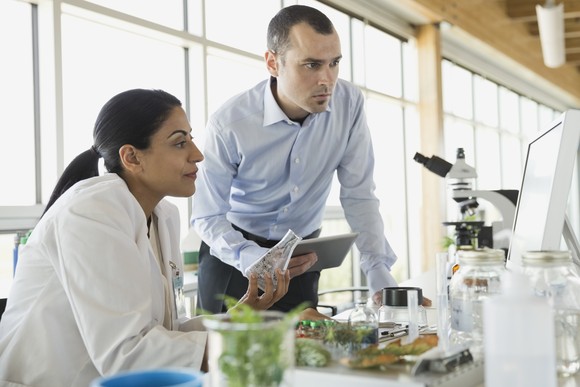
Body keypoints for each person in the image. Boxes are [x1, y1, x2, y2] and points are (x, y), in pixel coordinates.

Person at [0, 89, 291, 387]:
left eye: (190, 138)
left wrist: (240, 317)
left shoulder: (163, 215)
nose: (198, 154)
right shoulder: (92, 212)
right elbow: (127, 355)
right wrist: (272, 340)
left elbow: (164, 332)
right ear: (132, 157)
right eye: (180, 142)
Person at [191, 4, 401, 315]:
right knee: (221, 358)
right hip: (232, 258)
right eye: (312, 65)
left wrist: (378, 272)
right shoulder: (231, 123)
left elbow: (359, 196)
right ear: (273, 63)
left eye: (334, 64)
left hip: (300, 260)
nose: (327, 80)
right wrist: (250, 257)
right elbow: (207, 217)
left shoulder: (349, 104)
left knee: (306, 355)